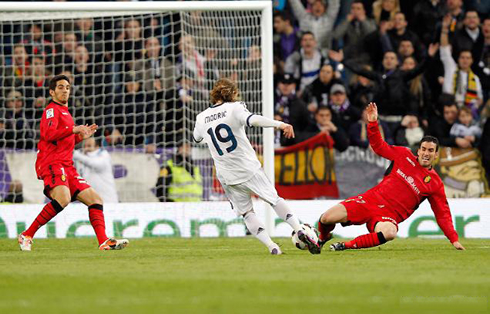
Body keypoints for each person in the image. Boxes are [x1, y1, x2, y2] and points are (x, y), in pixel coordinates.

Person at [313, 102, 465, 253]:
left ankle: (345, 245)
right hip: (370, 200)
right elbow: (379, 146)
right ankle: (322, 238)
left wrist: (454, 239)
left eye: (431, 150)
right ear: (418, 151)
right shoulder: (403, 155)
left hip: (388, 215)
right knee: (326, 218)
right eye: (424, 149)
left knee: (390, 232)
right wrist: (372, 123)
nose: (426, 153)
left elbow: (442, 213)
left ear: (436, 154)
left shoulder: (435, 183)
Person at [193, 78, 319, 255]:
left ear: (214, 94)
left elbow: (196, 138)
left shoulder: (201, 118)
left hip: (226, 175)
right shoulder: (235, 107)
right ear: (233, 93)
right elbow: (253, 120)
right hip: (248, 168)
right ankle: (298, 228)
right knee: (274, 200)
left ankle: (272, 247)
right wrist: (280, 124)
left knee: (247, 213)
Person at [17, 75, 128, 251]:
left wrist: (79, 137)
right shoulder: (51, 110)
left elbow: (62, 141)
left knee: (95, 200)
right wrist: (73, 129)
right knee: (63, 199)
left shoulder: (66, 113)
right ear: (52, 92)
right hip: (52, 162)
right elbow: (49, 134)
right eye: (60, 87)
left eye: (67, 87)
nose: (65, 90)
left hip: (66, 165)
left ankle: (103, 241)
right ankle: (27, 234)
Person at [73, 137, 119, 203]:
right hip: (91, 201)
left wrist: (77, 155)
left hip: (108, 200)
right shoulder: (81, 156)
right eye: (85, 146)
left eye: (89, 146)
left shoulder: (104, 155)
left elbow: (95, 164)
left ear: (97, 147)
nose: (86, 148)